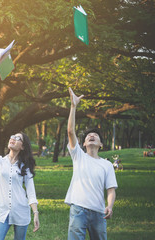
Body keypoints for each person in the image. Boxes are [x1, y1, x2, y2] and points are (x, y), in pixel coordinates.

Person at [66, 88, 118, 240]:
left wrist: (110, 206)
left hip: (98, 212)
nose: (91, 135)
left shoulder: (106, 165)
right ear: (83, 143)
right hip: (78, 209)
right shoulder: (78, 156)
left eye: (95, 135)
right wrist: (73, 106)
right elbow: (70, 131)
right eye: (88, 135)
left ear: (101, 144)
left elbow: (111, 190)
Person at [0, 108, 40, 240]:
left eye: (18, 138)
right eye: (12, 137)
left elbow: (30, 192)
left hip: (21, 212)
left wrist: (35, 213)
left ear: (23, 146)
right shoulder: (0, 162)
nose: (13, 139)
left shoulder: (25, 167)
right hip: (3, 213)